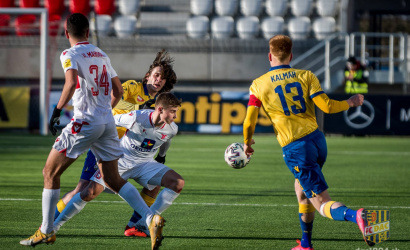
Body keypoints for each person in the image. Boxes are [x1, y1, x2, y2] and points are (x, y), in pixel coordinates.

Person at [20, 13, 164, 250]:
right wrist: (104, 112)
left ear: (67, 33)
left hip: (84, 122)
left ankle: (46, 231)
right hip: (107, 123)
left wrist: (56, 112)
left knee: (50, 172)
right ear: (87, 32)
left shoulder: (69, 53)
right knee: (113, 179)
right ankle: (150, 218)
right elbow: (117, 90)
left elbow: (71, 83)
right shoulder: (101, 54)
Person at [243, 35, 381, 249]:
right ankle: (306, 244)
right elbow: (326, 107)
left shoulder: (259, 84)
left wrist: (247, 142)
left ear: (269, 56)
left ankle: (357, 216)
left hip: (297, 147)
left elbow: (249, 121)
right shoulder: (306, 75)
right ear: (291, 55)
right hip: (317, 140)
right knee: (301, 190)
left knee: (321, 203)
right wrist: (350, 102)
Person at [52, 50, 177, 238]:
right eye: (156, 75)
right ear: (148, 76)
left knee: (153, 185)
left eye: (163, 78)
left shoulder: (157, 105)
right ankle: (49, 225)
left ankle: (135, 225)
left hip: (125, 152)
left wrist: (160, 155)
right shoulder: (134, 87)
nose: (158, 80)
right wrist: (104, 115)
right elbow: (114, 94)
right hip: (105, 144)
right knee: (84, 190)